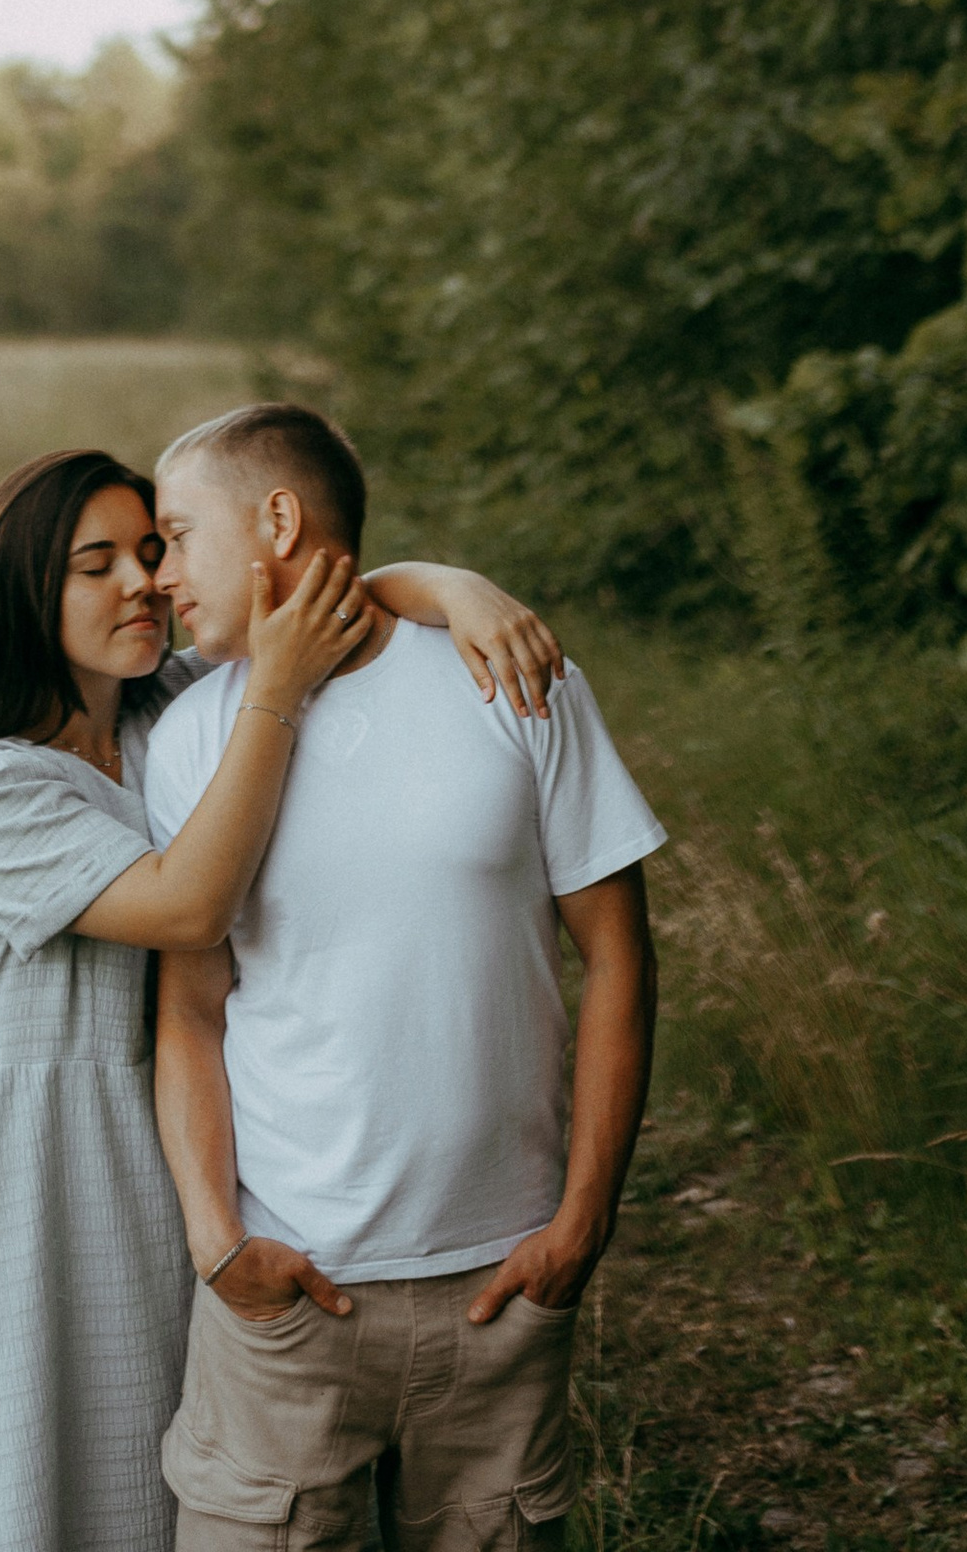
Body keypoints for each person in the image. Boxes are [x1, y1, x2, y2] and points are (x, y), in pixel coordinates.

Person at [0, 445, 568, 1552]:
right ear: (21, 593)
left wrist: (449, 586)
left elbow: (310, 599)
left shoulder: (169, 714)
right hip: (33, 1171)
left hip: (181, 1157)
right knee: (27, 1477)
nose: (144, 583)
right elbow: (190, 906)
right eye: (94, 564)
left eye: (153, 551)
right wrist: (280, 694)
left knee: (188, 1484)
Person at [144, 403, 665, 1551]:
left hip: (499, 1293)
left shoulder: (512, 678)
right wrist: (215, 1240)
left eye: (179, 536)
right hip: (283, 1301)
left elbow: (620, 956)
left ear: (275, 519)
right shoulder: (191, 735)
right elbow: (188, 1009)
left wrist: (583, 1222)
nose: (162, 576)